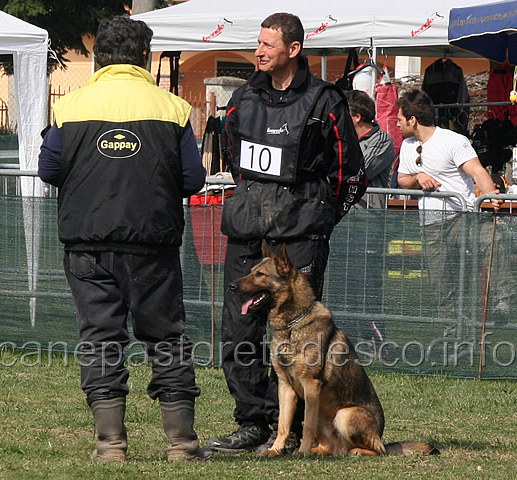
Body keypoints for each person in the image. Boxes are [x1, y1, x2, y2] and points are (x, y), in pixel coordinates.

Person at [38, 15, 212, 462]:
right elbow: (193, 178)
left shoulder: (70, 106)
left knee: (100, 339)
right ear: (145, 57)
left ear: (99, 57)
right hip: (153, 245)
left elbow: (49, 170)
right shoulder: (172, 108)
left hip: (85, 245)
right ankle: (182, 445)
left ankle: (110, 445)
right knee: (167, 339)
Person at [207, 13, 367, 455]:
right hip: (247, 235)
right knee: (238, 334)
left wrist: (321, 217)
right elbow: (237, 161)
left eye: (268, 45)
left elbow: (352, 173)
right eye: (257, 43)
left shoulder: (323, 100)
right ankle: (254, 423)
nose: (258, 51)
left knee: (301, 341)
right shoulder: (243, 98)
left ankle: (296, 431)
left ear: (293, 50)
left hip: (300, 240)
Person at [396, 89, 511, 332]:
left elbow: (478, 172)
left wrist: (491, 197)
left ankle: (502, 300)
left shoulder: (453, 140)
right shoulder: (407, 146)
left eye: (399, 119)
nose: (396, 124)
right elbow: (403, 180)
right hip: (431, 225)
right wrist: (419, 177)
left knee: (493, 238)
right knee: (441, 283)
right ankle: (453, 334)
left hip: (461, 218)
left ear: (412, 120)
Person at [339, 90, 395, 352]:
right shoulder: (340, 138)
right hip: (342, 222)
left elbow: (357, 170)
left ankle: (378, 342)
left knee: (367, 283)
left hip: (368, 224)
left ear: (357, 116)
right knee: (343, 283)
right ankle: (346, 338)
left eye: (343, 115)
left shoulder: (381, 140)